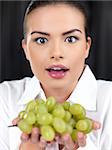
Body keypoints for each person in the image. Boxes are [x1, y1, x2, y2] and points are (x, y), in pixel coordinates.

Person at [0, 0, 112, 150]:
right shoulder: (4, 97)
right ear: (26, 49)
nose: (56, 53)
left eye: (70, 39)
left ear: (86, 47)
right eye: (41, 40)